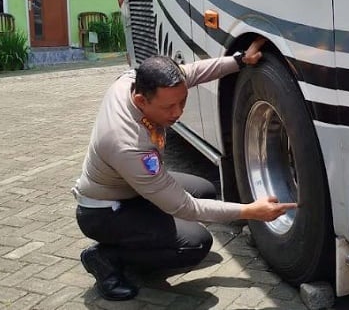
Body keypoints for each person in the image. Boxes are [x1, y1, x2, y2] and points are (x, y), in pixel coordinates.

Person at [72, 35, 297, 301]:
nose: (178, 112)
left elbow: (192, 73)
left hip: (130, 187)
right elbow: (184, 207)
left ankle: (147, 234)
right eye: (169, 107)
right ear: (142, 101)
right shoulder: (127, 143)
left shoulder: (133, 82)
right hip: (105, 211)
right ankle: (105, 258)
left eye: (182, 101)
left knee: (204, 190)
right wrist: (250, 211)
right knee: (196, 244)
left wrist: (239, 61)